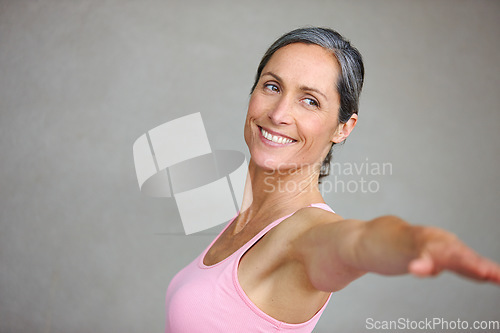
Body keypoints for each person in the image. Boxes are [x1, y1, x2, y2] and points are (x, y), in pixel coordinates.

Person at [165, 27, 500, 332]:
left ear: (344, 128)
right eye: (272, 86)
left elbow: (354, 243)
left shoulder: (306, 232)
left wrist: (412, 241)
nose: (279, 114)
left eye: (310, 101)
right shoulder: (245, 220)